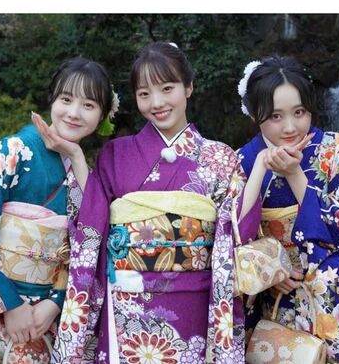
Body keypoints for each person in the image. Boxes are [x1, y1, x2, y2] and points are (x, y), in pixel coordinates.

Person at [49, 42, 261, 364]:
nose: (157, 103)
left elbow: (237, 231)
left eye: (167, 88)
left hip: (194, 303)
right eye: (144, 93)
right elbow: (92, 223)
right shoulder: (115, 154)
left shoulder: (220, 157)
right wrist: (77, 157)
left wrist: (260, 169)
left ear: (188, 87)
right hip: (125, 304)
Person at [0, 57, 116, 364]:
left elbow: (88, 248)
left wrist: (55, 302)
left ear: (103, 114)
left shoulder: (81, 171)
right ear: (52, 100)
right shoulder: (13, 150)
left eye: (89, 105)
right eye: (66, 99)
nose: (74, 112)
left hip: (42, 320)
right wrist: (10, 306)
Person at [237, 56, 339, 363]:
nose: (290, 127)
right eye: (275, 116)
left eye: (299, 112)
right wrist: (272, 270)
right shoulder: (243, 160)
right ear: (254, 113)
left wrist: (294, 174)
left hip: (334, 286)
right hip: (274, 294)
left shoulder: (336, 150)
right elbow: (233, 234)